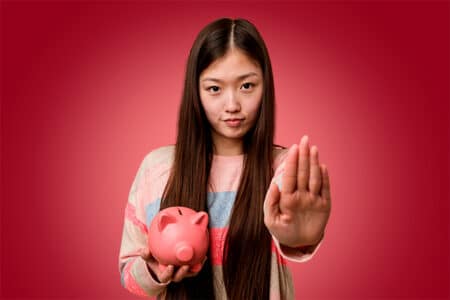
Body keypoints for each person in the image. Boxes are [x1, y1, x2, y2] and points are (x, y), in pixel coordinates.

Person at [118, 17, 331, 300]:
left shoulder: (282, 171)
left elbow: (293, 231)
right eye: (215, 89)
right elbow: (128, 272)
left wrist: (299, 237)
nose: (232, 105)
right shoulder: (157, 170)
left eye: (246, 86)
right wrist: (155, 271)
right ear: (196, 91)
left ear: (265, 86)